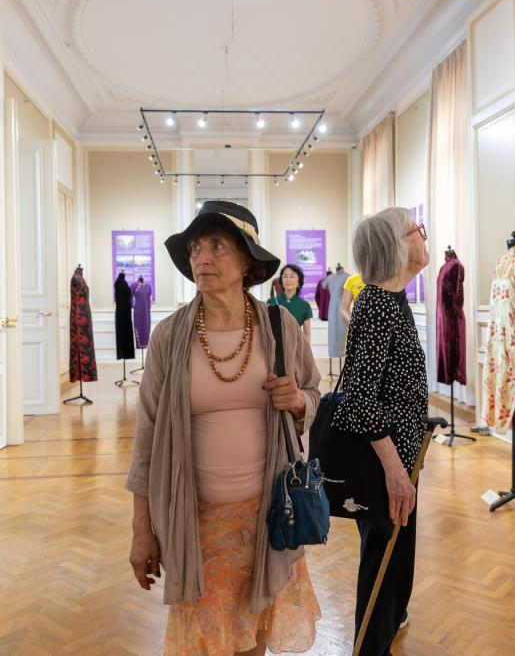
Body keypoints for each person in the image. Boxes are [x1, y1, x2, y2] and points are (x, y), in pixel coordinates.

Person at [126, 200, 323, 656]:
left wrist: (297, 401)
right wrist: (140, 529)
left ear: (247, 262)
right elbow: (147, 438)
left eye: (217, 245)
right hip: (195, 523)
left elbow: (314, 393)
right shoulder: (170, 335)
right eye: (195, 248)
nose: (202, 257)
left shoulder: (279, 324)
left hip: (269, 518)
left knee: (253, 642)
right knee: (207, 644)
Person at [330, 207, 430, 655]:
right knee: (384, 574)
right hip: (386, 466)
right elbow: (358, 400)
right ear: (395, 245)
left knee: (394, 571)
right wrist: (394, 470)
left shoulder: (392, 302)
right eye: (416, 230)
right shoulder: (375, 306)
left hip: (400, 462)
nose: (424, 236)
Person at [267, 264, 313, 344]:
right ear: (281, 281)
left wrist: (307, 350)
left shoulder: (305, 305)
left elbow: (307, 333)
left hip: (296, 345)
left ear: (299, 282)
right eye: (285, 276)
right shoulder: (271, 302)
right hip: (275, 346)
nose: (288, 280)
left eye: (292, 276)